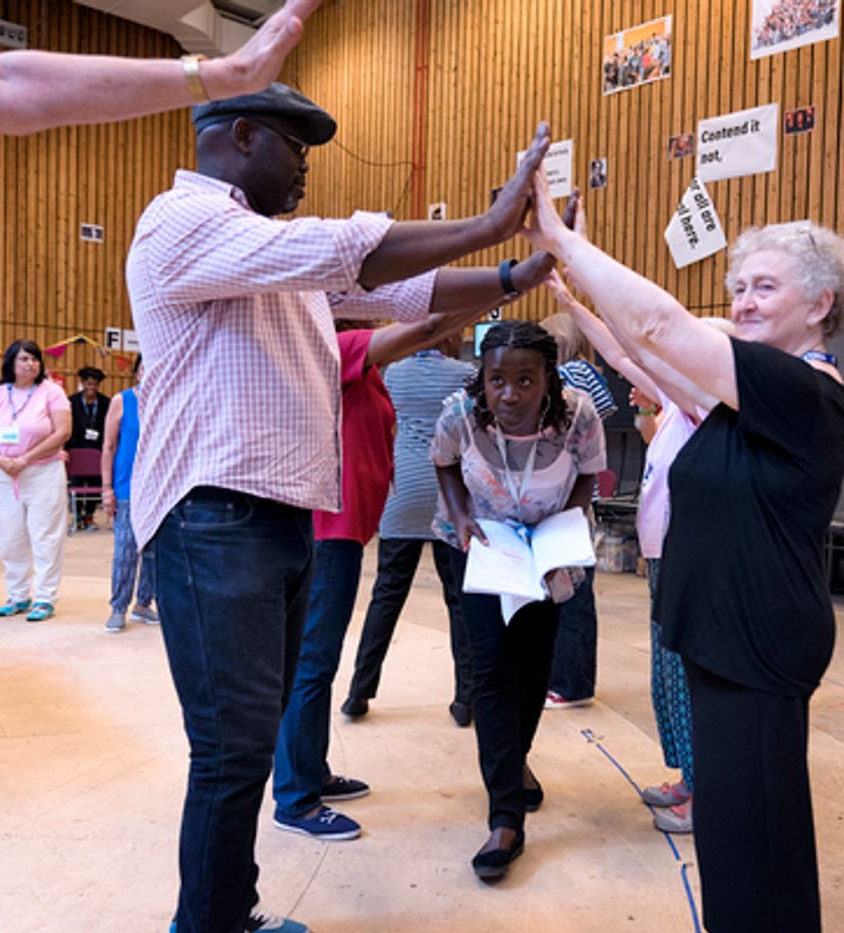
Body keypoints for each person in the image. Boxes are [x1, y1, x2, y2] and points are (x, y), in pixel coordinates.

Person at [0, 9, 323, 930]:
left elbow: (4, 86)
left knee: (50, 550)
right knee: (230, 742)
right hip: (186, 508)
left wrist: (224, 70)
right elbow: (4, 87)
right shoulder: (181, 224)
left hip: (72, 482)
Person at [126, 78, 556, 933]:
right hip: (215, 519)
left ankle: (228, 911)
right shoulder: (181, 222)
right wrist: (486, 224)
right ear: (240, 137)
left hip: (276, 520)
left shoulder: (270, 256)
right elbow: (352, 253)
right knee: (230, 749)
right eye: (296, 149)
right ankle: (206, 924)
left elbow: (403, 295)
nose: (305, 171)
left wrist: (514, 274)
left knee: (245, 746)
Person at [525, 175, 844, 931]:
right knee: (735, 837)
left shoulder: (800, 389)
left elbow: (663, 326)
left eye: (765, 286)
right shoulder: (749, 393)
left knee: (755, 841)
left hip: (758, 642)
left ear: (821, 305)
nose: (743, 300)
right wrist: (572, 282)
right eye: (738, 285)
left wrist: (566, 241)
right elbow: (638, 347)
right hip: (724, 638)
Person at [273, 307, 531, 842]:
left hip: (348, 529)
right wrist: (497, 288)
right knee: (313, 662)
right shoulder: (335, 354)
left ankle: (311, 771)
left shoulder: (373, 373)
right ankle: (295, 797)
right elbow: (418, 331)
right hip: (330, 528)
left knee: (320, 658)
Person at [543, 272, 736, 836]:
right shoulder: (678, 412)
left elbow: (629, 350)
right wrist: (571, 304)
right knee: (668, 676)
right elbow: (624, 356)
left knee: (687, 676)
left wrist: (583, 300)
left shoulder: (705, 406)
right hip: (664, 559)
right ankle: (689, 777)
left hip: (686, 561)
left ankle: (706, 792)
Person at [432, 320, 606, 881]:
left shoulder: (577, 414)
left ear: (548, 378)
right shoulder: (462, 411)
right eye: (496, 379)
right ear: (481, 377)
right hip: (484, 545)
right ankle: (505, 815)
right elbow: (442, 460)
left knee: (534, 668)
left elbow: (589, 474)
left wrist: (570, 524)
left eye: (525, 380)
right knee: (491, 670)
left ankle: (516, 764)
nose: (509, 394)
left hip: (548, 549)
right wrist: (459, 515)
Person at [340, 334, 476, 726]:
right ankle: (466, 700)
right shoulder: (465, 373)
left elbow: (387, 426)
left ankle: (358, 692)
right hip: (448, 490)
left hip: (404, 490)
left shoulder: (394, 373)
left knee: (386, 594)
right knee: (458, 600)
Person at [538, 311, 615, 711]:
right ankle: (570, 677)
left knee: (569, 593)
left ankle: (571, 683)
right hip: (584, 496)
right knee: (574, 589)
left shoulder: (568, 376)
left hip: (565, 496)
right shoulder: (591, 375)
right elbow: (606, 412)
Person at [0, 340, 71, 623]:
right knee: (10, 536)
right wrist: (0, 460)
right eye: (23, 359)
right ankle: (18, 595)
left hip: (43, 471)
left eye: (34, 359)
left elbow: (62, 432)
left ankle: (44, 597)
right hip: (4, 474)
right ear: (11, 363)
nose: (30, 364)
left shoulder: (52, 392)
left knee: (45, 535)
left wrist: (26, 458)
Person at [100, 355, 156, 633]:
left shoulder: (169, 399)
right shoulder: (122, 401)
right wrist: (107, 487)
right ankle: (118, 606)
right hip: (127, 486)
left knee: (154, 552)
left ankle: (143, 604)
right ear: (136, 373)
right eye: (145, 367)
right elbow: (109, 447)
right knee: (125, 550)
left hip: (160, 488)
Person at [66, 365, 109, 531]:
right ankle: (77, 517)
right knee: (76, 483)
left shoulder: (106, 403)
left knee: (94, 483)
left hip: (97, 449)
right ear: (82, 383)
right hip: (76, 447)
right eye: (88, 384)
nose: (91, 388)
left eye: (94, 385)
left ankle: (89, 517)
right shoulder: (71, 402)